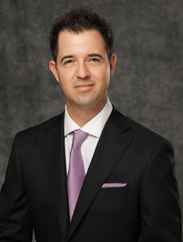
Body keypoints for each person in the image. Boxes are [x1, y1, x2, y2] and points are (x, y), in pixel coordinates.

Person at [0, 7, 182, 242]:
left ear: (111, 64)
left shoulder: (151, 152)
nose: (82, 73)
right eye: (69, 61)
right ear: (55, 71)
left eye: (93, 59)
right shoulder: (26, 148)